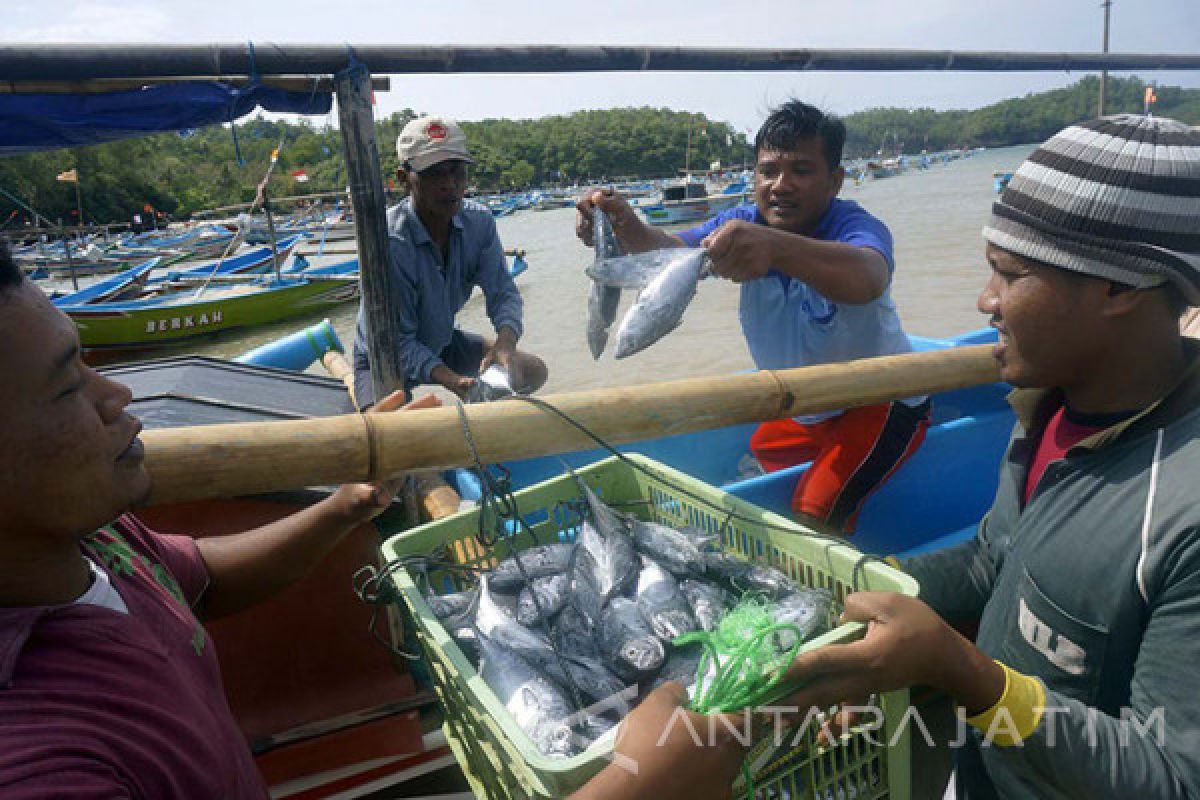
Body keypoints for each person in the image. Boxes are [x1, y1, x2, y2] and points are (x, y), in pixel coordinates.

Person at [579, 114, 1200, 800]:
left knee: (819, 503)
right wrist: (852, 602)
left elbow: (1171, 777)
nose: (984, 300)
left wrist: (958, 670)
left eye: (1009, 274)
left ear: (1121, 289)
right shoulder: (1048, 409)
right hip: (980, 769)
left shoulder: (1181, 510)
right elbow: (995, 557)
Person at [0, 240, 438, 798]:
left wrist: (349, 503)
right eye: (68, 387)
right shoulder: (36, 765)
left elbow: (197, 579)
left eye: (90, 364)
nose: (116, 393)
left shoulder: (90, 539)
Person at [576, 101, 929, 535]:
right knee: (750, 465)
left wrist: (775, 247)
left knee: (812, 512)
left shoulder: (853, 226)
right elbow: (665, 253)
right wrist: (622, 224)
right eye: (768, 171)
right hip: (807, 406)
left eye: (801, 170)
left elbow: (869, 277)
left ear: (835, 181)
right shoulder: (739, 223)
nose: (781, 185)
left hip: (879, 400)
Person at [352, 115, 547, 407]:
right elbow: (400, 343)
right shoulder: (390, 243)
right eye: (434, 174)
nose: (449, 184)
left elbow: (503, 293)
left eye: (457, 171)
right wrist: (453, 381)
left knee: (531, 371)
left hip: (441, 341)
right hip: (384, 354)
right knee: (392, 428)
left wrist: (505, 343)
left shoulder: (479, 223)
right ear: (405, 180)